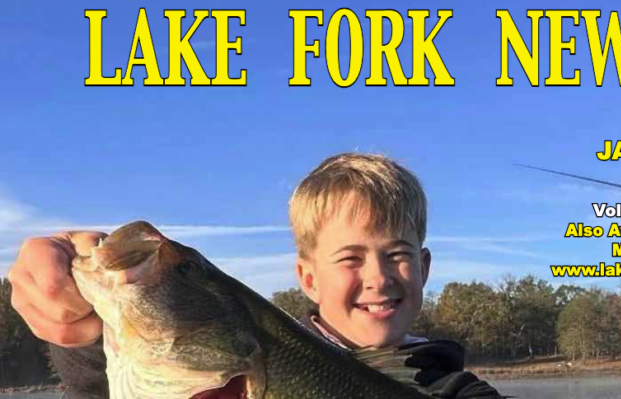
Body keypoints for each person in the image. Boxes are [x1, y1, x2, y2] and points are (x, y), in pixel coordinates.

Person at [9, 152, 506, 399]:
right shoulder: (226, 375)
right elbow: (121, 376)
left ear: (423, 268)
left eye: (396, 255)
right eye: (349, 259)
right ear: (306, 278)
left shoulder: (460, 392)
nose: (377, 277)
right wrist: (81, 328)